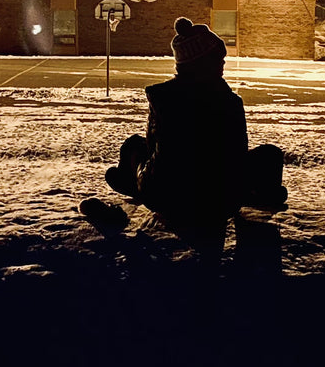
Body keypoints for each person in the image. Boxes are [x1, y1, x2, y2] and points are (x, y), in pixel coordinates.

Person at [82, 17, 287, 254]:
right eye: (218, 60)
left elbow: (154, 146)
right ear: (203, 63)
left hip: (163, 196)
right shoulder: (229, 101)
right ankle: (262, 195)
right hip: (219, 201)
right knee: (270, 154)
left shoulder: (162, 98)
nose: (223, 65)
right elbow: (237, 152)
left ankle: (129, 183)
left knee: (133, 146)